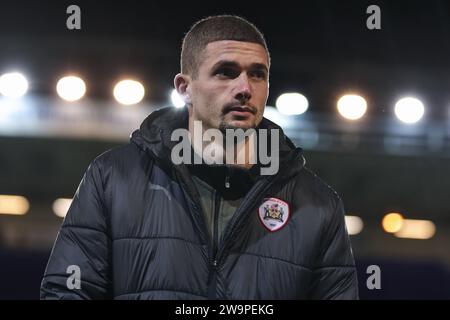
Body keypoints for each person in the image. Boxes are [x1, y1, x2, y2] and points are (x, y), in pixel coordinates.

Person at [40, 15, 358, 299]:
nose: (244, 87)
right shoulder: (112, 178)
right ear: (184, 88)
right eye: (226, 72)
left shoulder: (318, 204)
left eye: (258, 75)